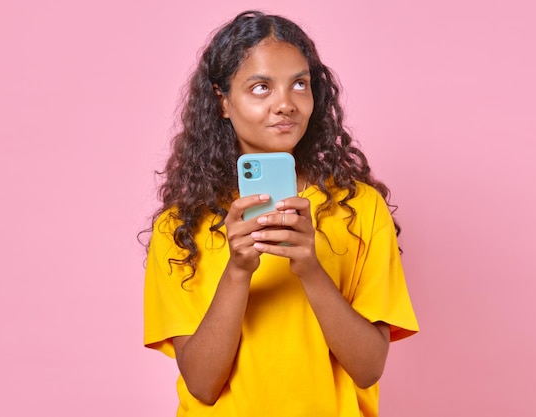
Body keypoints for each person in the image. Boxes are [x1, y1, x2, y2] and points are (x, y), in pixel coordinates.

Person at [143, 10, 419, 417]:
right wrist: (237, 270)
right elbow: (201, 386)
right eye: (260, 87)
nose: (285, 104)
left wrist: (310, 268)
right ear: (222, 102)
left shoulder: (359, 208)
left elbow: (368, 368)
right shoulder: (180, 228)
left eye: (299, 85)